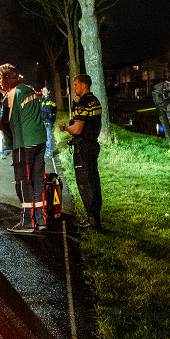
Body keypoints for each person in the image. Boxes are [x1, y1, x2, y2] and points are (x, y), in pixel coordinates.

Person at [0, 63, 47, 233]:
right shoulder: (29, 90)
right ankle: (41, 219)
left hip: (24, 143)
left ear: (8, 78)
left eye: (0, 78)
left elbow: (5, 122)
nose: (0, 82)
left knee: (23, 182)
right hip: (40, 140)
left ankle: (26, 222)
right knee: (38, 181)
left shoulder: (10, 95)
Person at [59, 73, 103, 229]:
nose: (74, 88)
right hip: (93, 145)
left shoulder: (82, 104)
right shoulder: (95, 101)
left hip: (83, 148)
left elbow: (77, 129)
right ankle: (96, 216)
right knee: (94, 179)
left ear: (84, 85)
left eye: (76, 85)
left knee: (84, 182)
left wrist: (65, 128)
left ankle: (91, 219)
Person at [40, 86, 57, 158]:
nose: (43, 92)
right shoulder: (41, 100)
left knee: (48, 135)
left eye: (45, 90)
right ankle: (45, 150)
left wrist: (51, 120)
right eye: (43, 90)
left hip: (49, 120)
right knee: (43, 136)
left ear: (49, 92)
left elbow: (53, 111)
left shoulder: (51, 101)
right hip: (43, 120)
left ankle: (49, 151)